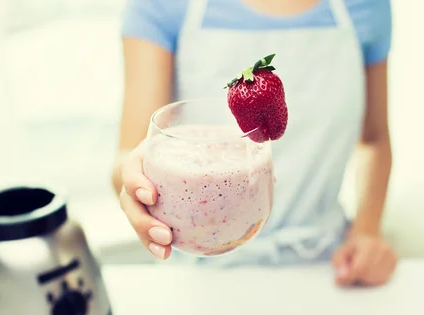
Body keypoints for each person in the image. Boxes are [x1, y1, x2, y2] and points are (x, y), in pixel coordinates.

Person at [112, 0, 398, 286]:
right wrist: (135, 183)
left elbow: (373, 139)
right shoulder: (161, 5)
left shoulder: (365, 7)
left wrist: (367, 229)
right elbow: (133, 153)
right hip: (197, 272)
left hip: (325, 266)